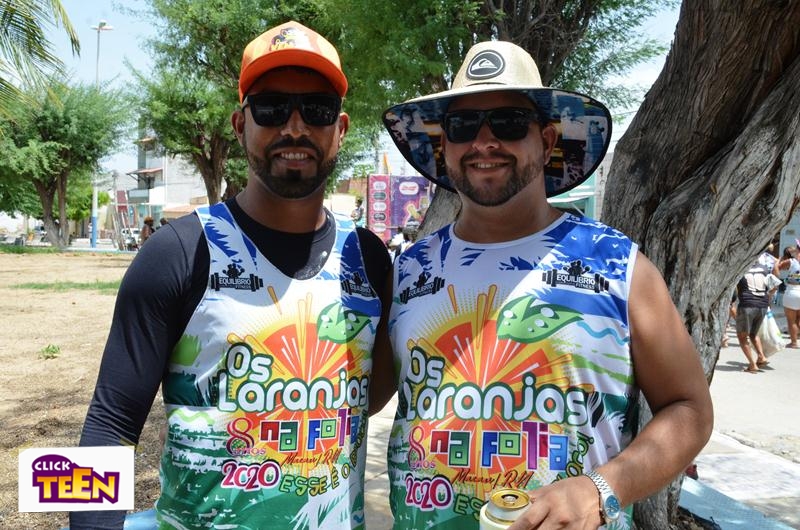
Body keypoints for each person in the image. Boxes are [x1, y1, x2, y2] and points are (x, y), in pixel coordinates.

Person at [372, 41, 713, 530]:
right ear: (444, 145)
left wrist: (601, 489)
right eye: (463, 125)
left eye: (509, 123)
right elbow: (357, 396)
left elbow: (689, 409)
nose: (484, 142)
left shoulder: (619, 266)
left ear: (547, 140)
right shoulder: (408, 271)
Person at [70, 20, 392, 530]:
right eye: (271, 108)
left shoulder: (368, 258)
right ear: (240, 125)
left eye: (317, 109)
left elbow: (364, 400)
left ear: (341, 128)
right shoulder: (177, 253)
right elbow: (109, 424)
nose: (295, 127)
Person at [736, 250, 775, 372]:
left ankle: (752, 364)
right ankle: (761, 356)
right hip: (762, 305)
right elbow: (774, 286)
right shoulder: (765, 269)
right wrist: (767, 297)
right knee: (753, 333)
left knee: (742, 337)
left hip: (747, 304)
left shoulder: (740, 269)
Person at [774, 245, 800, 348]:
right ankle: (797, 336)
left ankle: (794, 342)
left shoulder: (791, 261)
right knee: (798, 319)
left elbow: (777, 268)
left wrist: (779, 260)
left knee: (791, 320)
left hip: (792, 292)